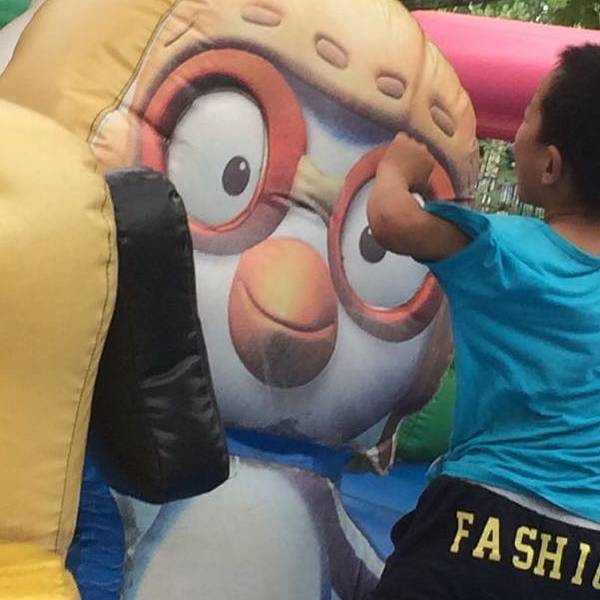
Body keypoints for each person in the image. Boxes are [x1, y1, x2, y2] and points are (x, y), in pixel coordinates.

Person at [367, 44, 600, 600]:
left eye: (527, 116)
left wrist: (398, 169)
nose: (516, 132)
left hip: (478, 519)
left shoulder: (504, 250)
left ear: (550, 165)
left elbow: (392, 220)